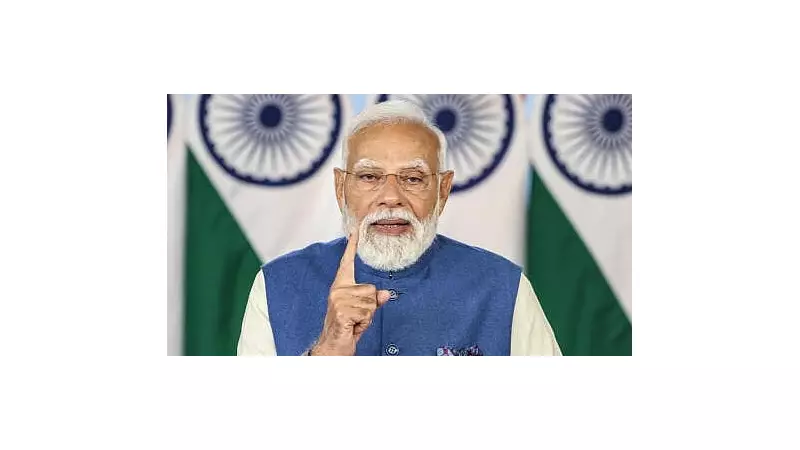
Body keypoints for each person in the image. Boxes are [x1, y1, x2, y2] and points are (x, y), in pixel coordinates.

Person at [237, 100, 561, 356]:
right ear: (340, 188)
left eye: (413, 178)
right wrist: (327, 351)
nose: (391, 197)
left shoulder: (503, 287)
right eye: (369, 177)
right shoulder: (277, 285)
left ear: (443, 190)